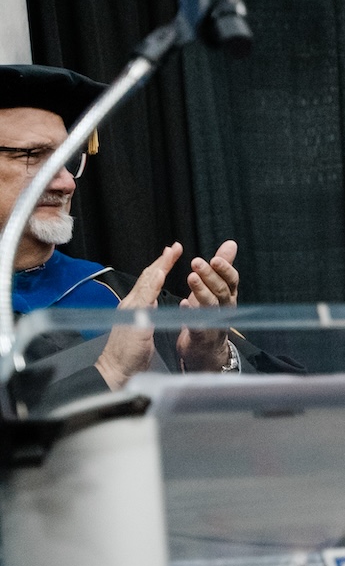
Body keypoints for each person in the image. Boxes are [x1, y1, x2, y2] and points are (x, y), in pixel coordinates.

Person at [2, 65, 292, 405]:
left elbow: (289, 410)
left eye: (67, 161)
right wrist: (108, 372)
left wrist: (210, 361)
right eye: (35, 157)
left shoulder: (121, 298)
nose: (66, 182)